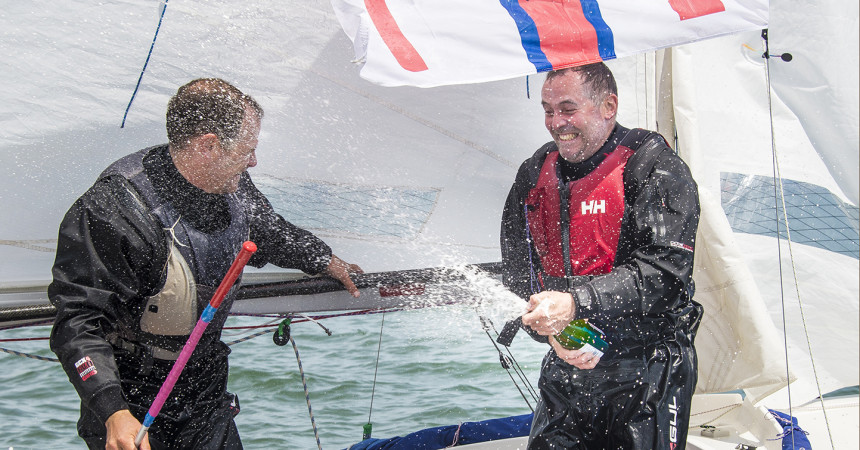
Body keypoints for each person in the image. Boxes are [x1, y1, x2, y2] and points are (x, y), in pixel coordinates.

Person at [49, 78, 363, 450]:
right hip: (132, 397)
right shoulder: (114, 209)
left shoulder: (232, 184)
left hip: (205, 385)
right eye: (248, 150)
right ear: (208, 146)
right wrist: (113, 411)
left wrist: (322, 258)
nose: (254, 161)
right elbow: (78, 323)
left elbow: (269, 231)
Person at [500, 63, 703, 449]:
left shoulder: (654, 167)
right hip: (569, 360)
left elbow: (666, 275)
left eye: (567, 108)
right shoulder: (533, 175)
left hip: (647, 368)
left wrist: (575, 303)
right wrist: (550, 333)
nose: (556, 122)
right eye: (547, 109)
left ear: (608, 106)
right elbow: (518, 277)